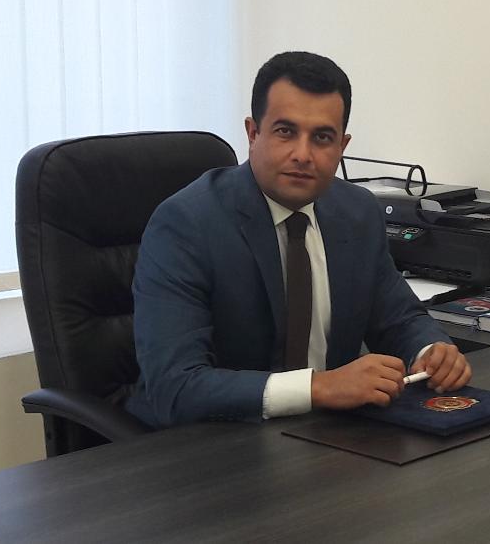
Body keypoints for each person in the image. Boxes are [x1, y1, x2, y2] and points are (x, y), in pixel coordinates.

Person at [125, 51, 471, 428]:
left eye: (322, 137)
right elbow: (175, 388)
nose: (303, 155)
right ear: (252, 133)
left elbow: (398, 317)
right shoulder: (186, 224)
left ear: (342, 146)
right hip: (214, 443)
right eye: (285, 132)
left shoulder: (357, 212)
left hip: (329, 436)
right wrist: (318, 387)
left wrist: (431, 349)